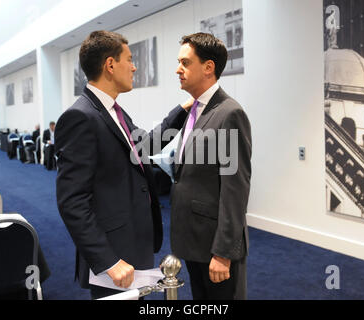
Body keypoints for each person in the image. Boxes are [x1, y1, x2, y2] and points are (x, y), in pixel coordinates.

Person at [55, 30, 190, 300]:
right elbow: (72, 201)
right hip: (113, 254)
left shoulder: (113, 111)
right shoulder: (80, 117)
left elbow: (144, 146)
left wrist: (185, 109)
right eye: (129, 59)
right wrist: (106, 260)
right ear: (110, 64)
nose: (134, 66)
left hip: (132, 242)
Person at [170, 33, 252, 300]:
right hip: (194, 241)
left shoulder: (229, 113)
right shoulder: (195, 110)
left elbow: (235, 188)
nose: (178, 69)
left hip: (215, 248)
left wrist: (224, 252)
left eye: (185, 62)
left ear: (208, 67)